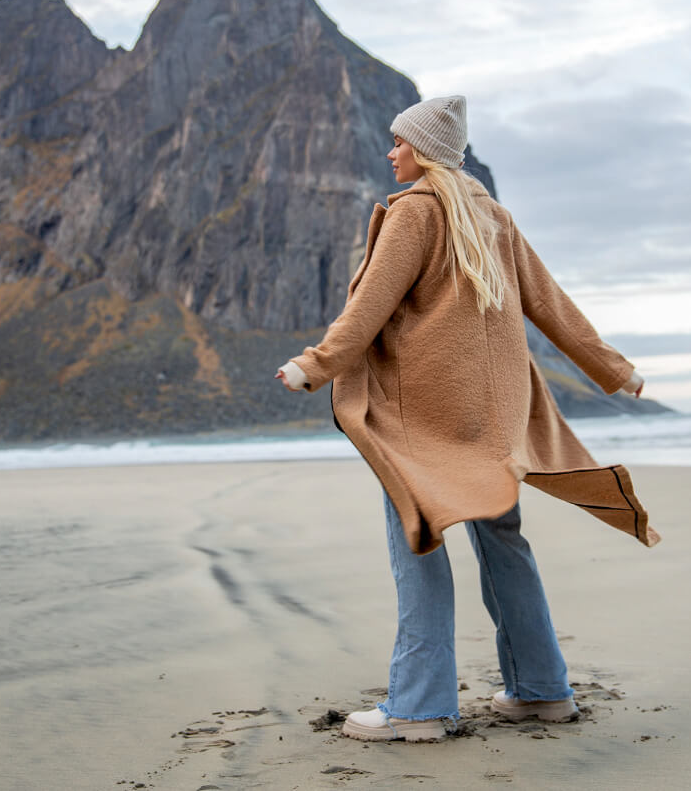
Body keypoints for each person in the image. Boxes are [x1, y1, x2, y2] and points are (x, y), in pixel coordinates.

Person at [276, 95, 659, 743]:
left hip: (424, 420)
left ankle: (419, 707)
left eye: (400, 141)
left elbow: (368, 308)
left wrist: (314, 365)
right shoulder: (494, 219)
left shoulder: (415, 215)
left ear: (424, 150)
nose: (391, 151)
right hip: (495, 422)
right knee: (503, 541)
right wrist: (615, 370)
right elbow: (552, 305)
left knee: (419, 537)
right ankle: (542, 692)